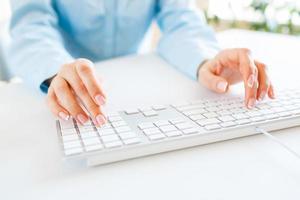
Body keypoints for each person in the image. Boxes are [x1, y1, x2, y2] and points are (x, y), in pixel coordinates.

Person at [5, 0, 274, 126]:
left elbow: (180, 22)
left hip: (136, 90)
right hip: (61, 94)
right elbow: (31, 29)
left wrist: (205, 62)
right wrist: (56, 72)